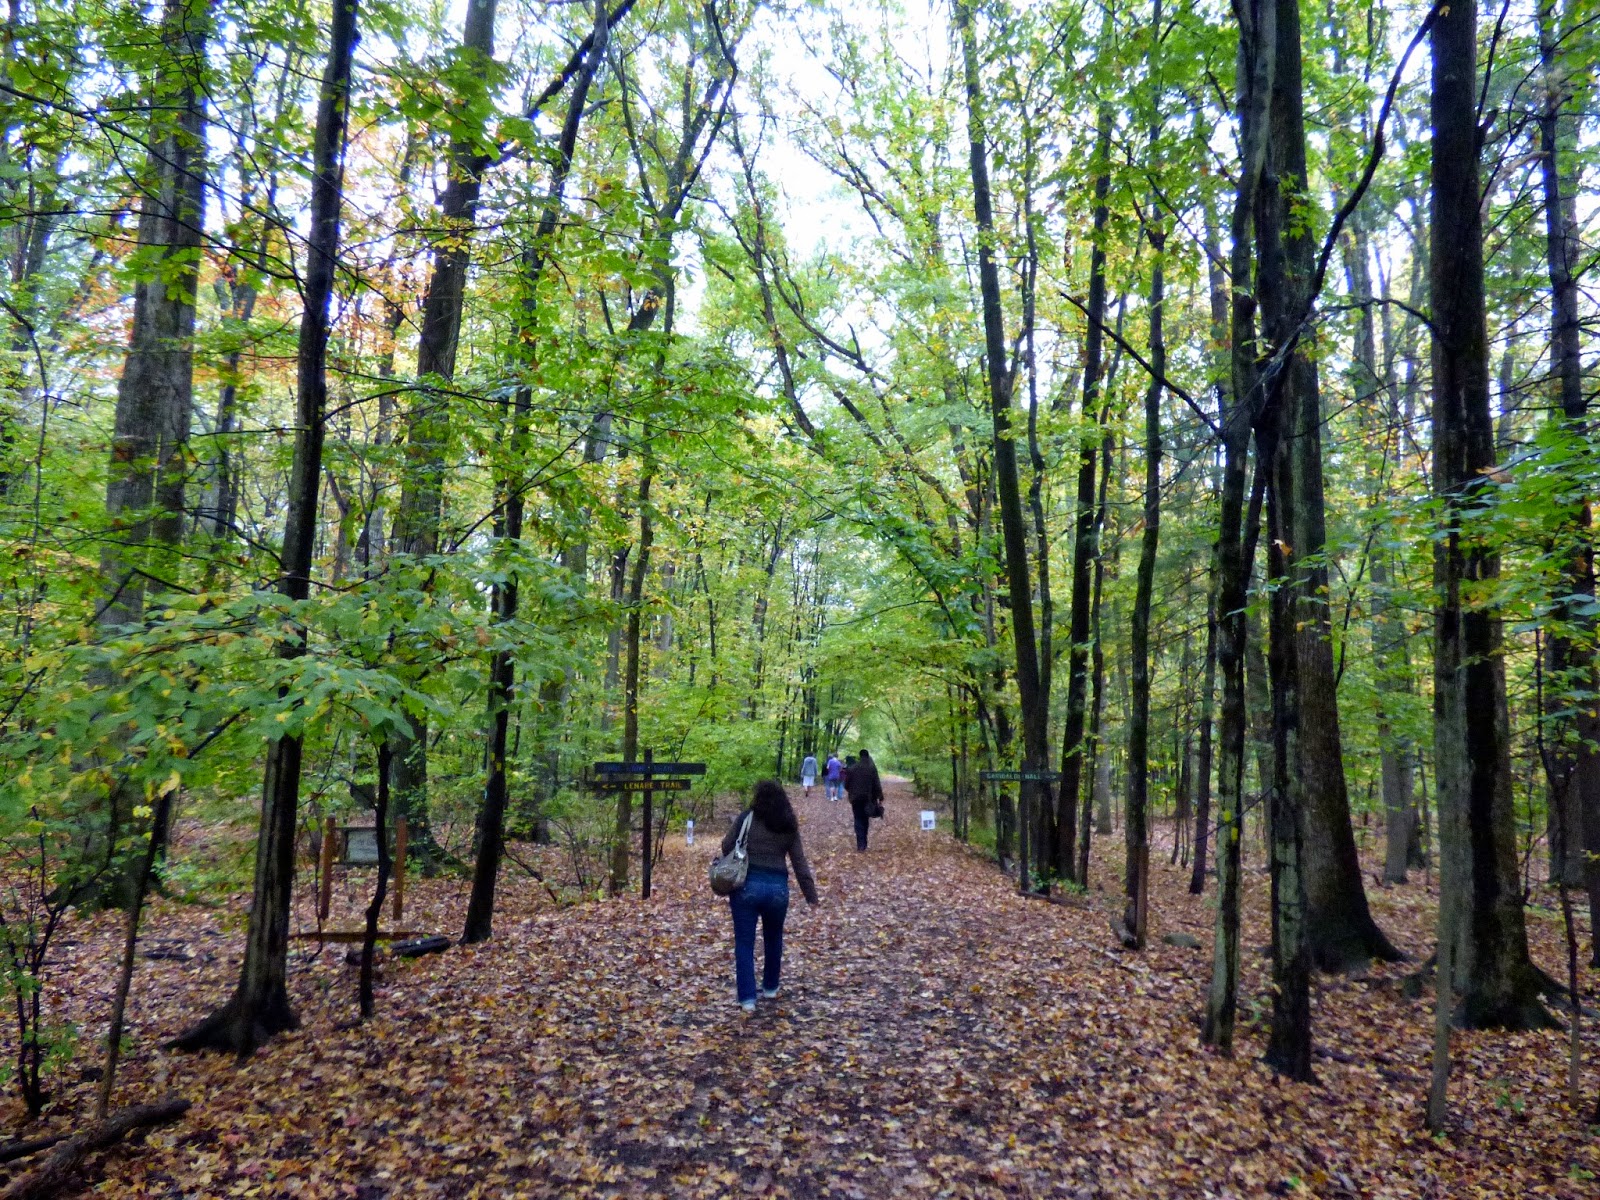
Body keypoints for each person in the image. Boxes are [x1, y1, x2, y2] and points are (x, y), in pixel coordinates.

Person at [721, 780, 819, 1013]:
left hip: (746, 887)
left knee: (744, 943)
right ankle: (771, 988)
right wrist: (811, 896)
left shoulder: (747, 818)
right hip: (778, 890)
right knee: (774, 938)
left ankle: (747, 1000)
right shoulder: (788, 825)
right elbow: (799, 862)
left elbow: (726, 846)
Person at [846, 747, 885, 852]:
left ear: (860, 756)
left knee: (857, 819)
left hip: (855, 798)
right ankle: (864, 842)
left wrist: (851, 791)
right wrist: (880, 797)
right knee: (865, 819)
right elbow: (877, 783)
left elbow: (846, 784)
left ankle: (860, 844)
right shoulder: (871, 768)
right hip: (868, 798)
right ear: (867, 756)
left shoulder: (853, 768)